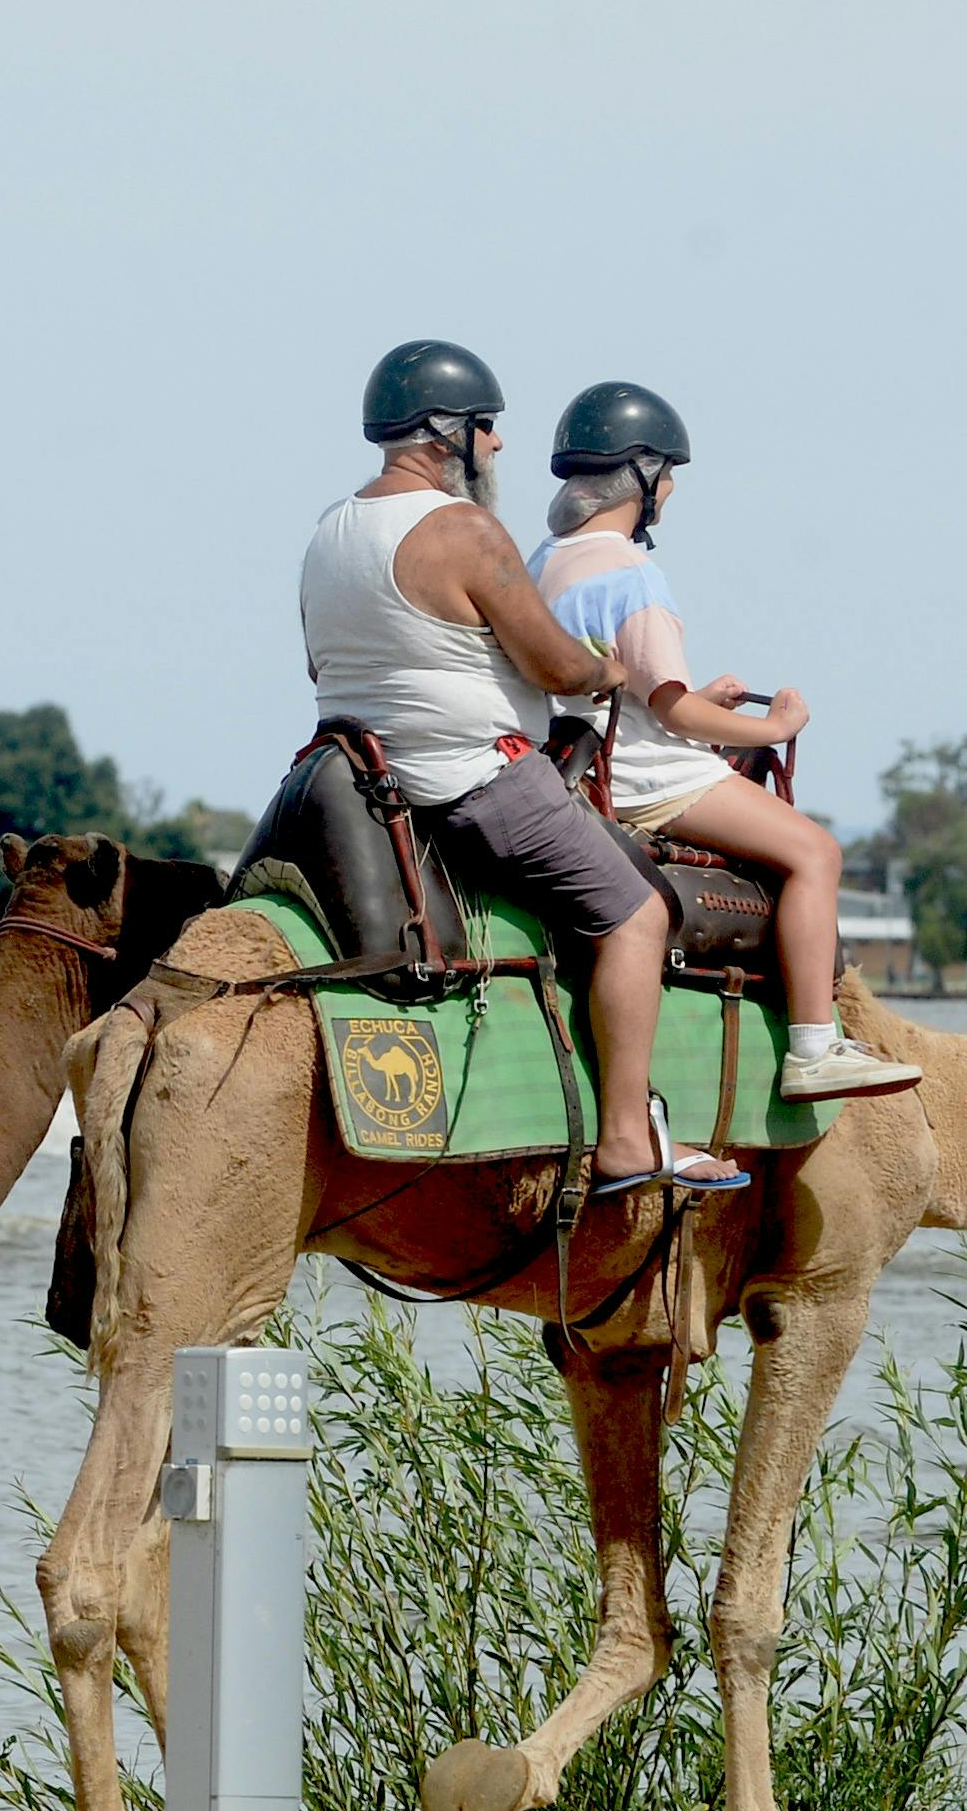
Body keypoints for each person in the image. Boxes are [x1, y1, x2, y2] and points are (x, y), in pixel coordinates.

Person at [302, 341, 741, 1191]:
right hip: (473, 781)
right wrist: (609, 672)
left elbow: (321, 668)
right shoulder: (463, 529)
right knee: (639, 912)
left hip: (361, 778)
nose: (498, 445)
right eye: (487, 428)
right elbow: (556, 666)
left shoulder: (330, 531)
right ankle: (625, 1139)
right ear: (444, 434)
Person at [526, 382, 917, 1102]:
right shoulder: (633, 573)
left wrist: (700, 700)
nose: (670, 491)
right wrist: (775, 728)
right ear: (640, 476)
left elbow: (607, 692)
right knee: (816, 852)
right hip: (651, 780)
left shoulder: (542, 562)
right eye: (667, 475)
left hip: (582, 770)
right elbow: (675, 714)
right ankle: (814, 1047)